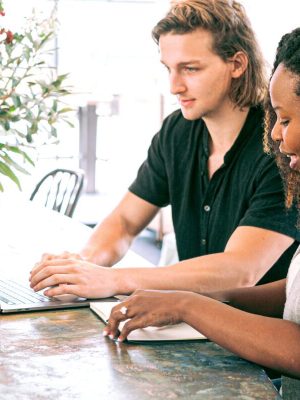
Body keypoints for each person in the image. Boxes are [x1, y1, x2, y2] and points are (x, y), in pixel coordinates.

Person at [30, 0, 299, 299]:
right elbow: (125, 221)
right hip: (191, 325)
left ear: (236, 64)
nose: (174, 86)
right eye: (169, 69)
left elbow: (240, 270)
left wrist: (113, 279)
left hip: (255, 334)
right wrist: (80, 266)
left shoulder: (283, 146)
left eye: (190, 69)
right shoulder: (177, 132)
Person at [104, 27, 300, 399]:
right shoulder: (177, 134)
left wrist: (187, 304)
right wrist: (207, 297)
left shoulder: (271, 163)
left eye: (286, 120)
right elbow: (294, 296)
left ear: (236, 64)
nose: (274, 134)